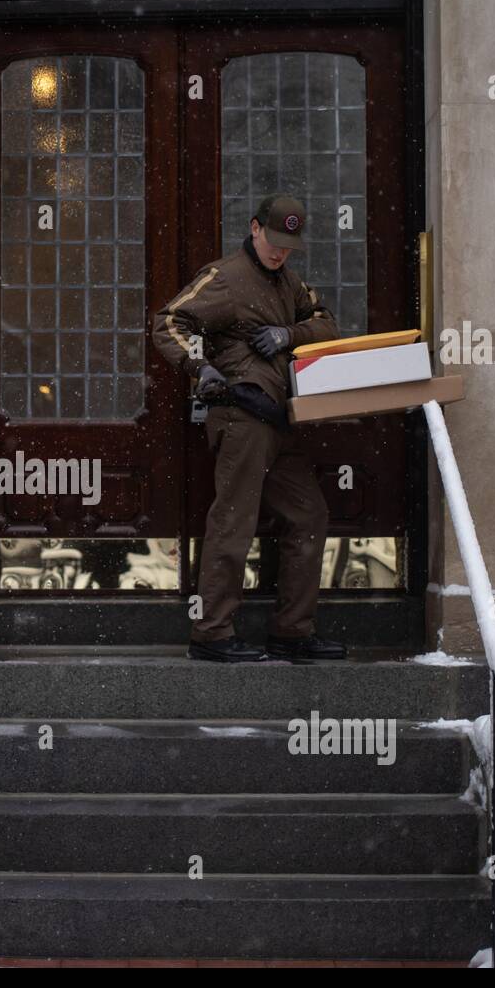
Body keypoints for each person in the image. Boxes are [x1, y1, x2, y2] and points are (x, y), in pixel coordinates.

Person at [152, 194, 350, 664]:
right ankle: (212, 633)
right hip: (241, 418)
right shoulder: (225, 278)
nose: (279, 252)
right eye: (274, 241)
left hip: (281, 421)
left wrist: (289, 334)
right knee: (233, 523)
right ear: (255, 228)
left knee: (309, 516)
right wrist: (201, 369)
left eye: (288, 245)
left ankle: (292, 631)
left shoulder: (289, 282)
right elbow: (168, 323)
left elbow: (328, 324)